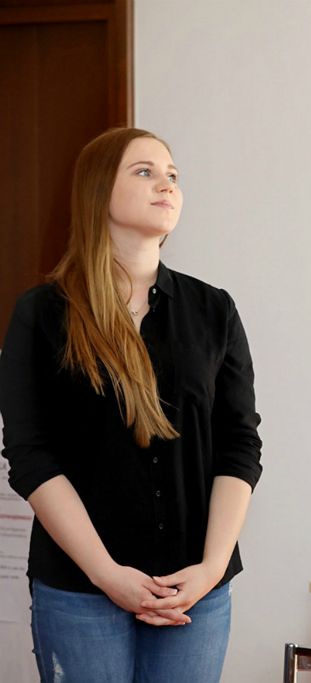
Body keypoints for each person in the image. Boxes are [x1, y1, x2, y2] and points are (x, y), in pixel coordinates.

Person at [0, 128, 262, 683]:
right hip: (80, 589)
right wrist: (106, 574)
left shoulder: (214, 310)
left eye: (173, 175)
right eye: (144, 171)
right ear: (99, 190)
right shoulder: (42, 313)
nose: (166, 185)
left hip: (195, 590)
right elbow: (30, 456)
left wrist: (211, 568)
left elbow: (239, 444)